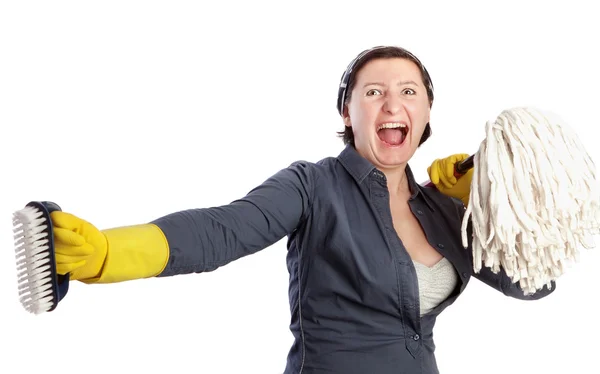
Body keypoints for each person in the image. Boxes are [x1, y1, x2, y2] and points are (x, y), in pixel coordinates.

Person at [50, 45, 555, 374]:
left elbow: (532, 284)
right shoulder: (313, 186)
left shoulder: (443, 210)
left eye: (409, 93)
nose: (392, 105)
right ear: (347, 110)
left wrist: (480, 202)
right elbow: (220, 231)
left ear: (425, 114)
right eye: (373, 92)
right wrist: (106, 253)